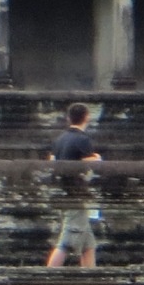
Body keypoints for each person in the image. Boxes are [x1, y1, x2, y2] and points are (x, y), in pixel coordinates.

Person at [45, 102, 100, 270]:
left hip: (63, 192)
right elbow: (89, 164)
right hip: (77, 194)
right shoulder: (82, 140)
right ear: (87, 117)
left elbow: (52, 162)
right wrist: (97, 158)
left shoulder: (60, 139)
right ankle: (48, 274)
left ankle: (90, 276)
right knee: (67, 241)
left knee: (88, 244)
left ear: (69, 118)